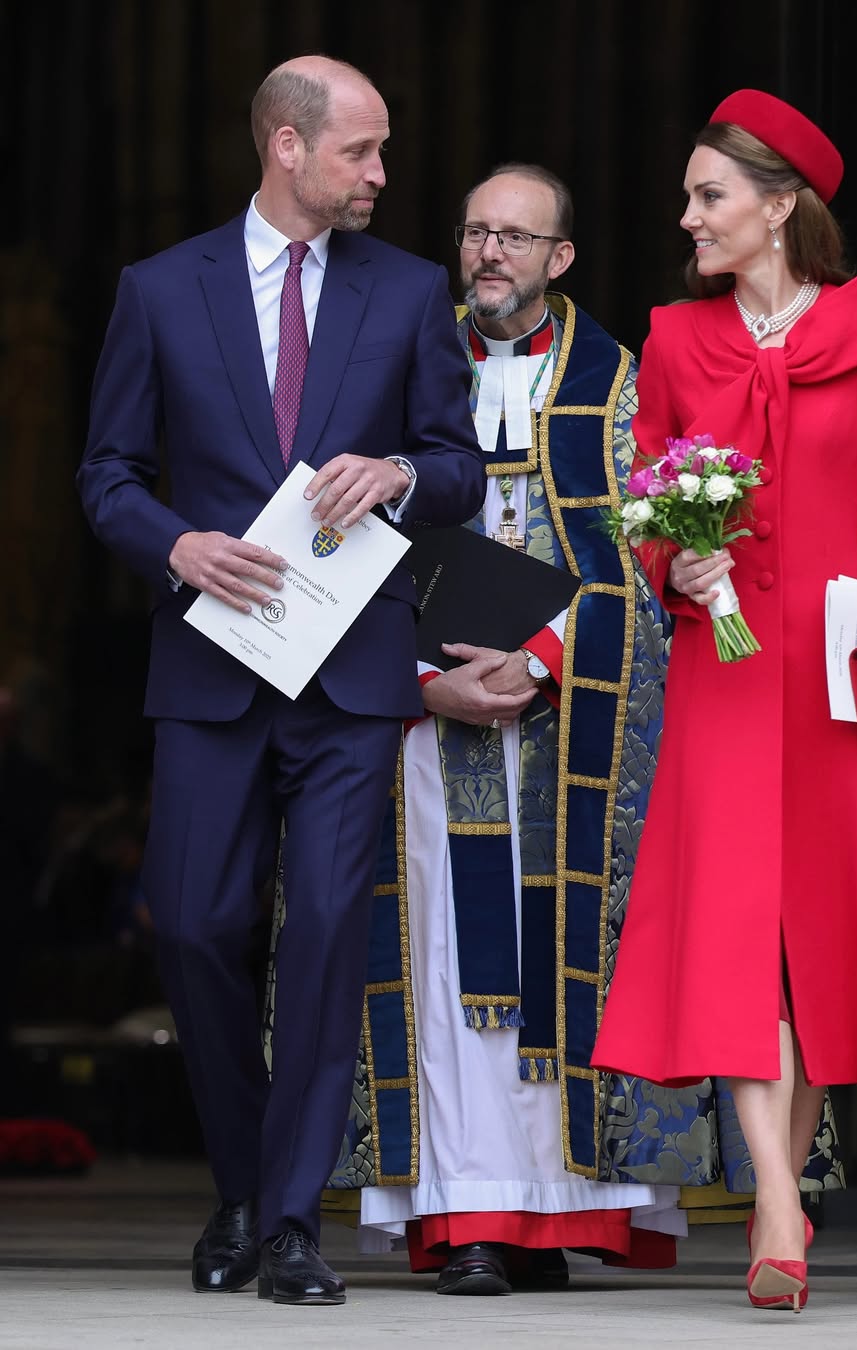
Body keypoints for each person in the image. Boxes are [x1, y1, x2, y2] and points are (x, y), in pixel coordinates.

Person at [76, 55, 484, 1306]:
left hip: (353, 678)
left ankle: (291, 1219)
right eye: (361, 151)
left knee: (320, 941)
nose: (379, 174)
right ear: (288, 148)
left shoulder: (411, 291)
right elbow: (106, 478)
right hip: (211, 666)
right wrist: (175, 545)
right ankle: (245, 1183)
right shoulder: (158, 290)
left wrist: (402, 477)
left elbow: (458, 464)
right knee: (196, 925)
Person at [589, 89, 857, 1312]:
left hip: (829, 679)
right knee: (737, 939)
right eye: (693, 195)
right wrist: (675, 565)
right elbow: (640, 509)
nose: (690, 216)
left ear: (778, 207)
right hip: (722, 669)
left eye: (711, 196)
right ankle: (774, 1198)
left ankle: (775, 1193)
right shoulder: (670, 338)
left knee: (808, 943)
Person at [305, 163, 685, 1291]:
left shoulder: (622, 385)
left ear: (561, 257)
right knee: (437, 958)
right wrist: (424, 681)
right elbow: (326, 546)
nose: (489, 255)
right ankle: (465, 1212)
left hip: (572, 726)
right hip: (420, 726)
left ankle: (560, 1212)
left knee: (563, 951)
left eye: (516, 238)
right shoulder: (395, 375)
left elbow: (655, 566)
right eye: (475, 233)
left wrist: (546, 657)